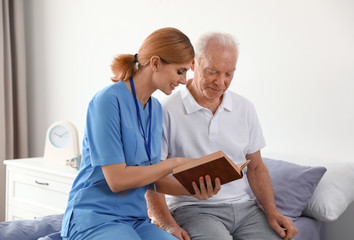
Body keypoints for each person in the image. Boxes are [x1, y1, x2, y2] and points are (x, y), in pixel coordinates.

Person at [60, 27, 221, 240]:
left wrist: (193, 189)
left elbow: (153, 179)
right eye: (180, 71)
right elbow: (116, 180)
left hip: (135, 220)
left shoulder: (155, 109)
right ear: (155, 63)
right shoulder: (107, 101)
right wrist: (175, 163)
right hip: (94, 218)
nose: (183, 80)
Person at [146, 32, 298, 240]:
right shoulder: (165, 111)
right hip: (193, 209)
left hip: (245, 208)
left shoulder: (244, 108)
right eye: (212, 72)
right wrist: (167, 224)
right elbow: (151, 177)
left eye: (229, 74)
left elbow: (255, 167)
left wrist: (272, 212)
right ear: (193, 64)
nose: (221, 82)